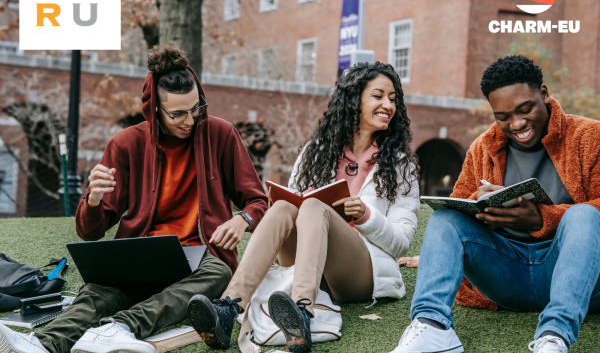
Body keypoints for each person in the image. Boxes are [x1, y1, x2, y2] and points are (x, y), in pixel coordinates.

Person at [0, 43, 268, 353]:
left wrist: (242, 218)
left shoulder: (221, 134)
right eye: (178, 113)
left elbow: (258, 200)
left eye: (197, 108)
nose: (190, 120)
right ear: (154, 108)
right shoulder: (126, 144)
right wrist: (95, 199)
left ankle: (120, 327)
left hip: (199, 256)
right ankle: (42, 344)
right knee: (98, 292)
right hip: (142, 254)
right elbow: (90, 232)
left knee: (219, 273)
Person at [185, 62, 421, 352]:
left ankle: (301, 312)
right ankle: (228, 308)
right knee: (286, 207)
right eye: (378, 96)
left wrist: (365, 215)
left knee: (314, 208)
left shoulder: (399, 164)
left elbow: (402, 242)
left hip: (359, 273)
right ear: (354, 100)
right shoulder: (317, 151)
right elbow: (292, 206)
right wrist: (297, 198)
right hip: (306, 263)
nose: (388, 104)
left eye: (393, 98)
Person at [390, 55, 600, 353]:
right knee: (444, 219)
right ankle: (431, 326)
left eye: (525, 109)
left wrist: (542, 219)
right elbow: (461, 207)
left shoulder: (590, 136)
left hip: (577, 279)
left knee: (584, 215)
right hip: (506, 276)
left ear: (544, 94)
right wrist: (483, 206)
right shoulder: (482, 149)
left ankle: (554, 337)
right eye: (503, 116)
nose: (516, 123)